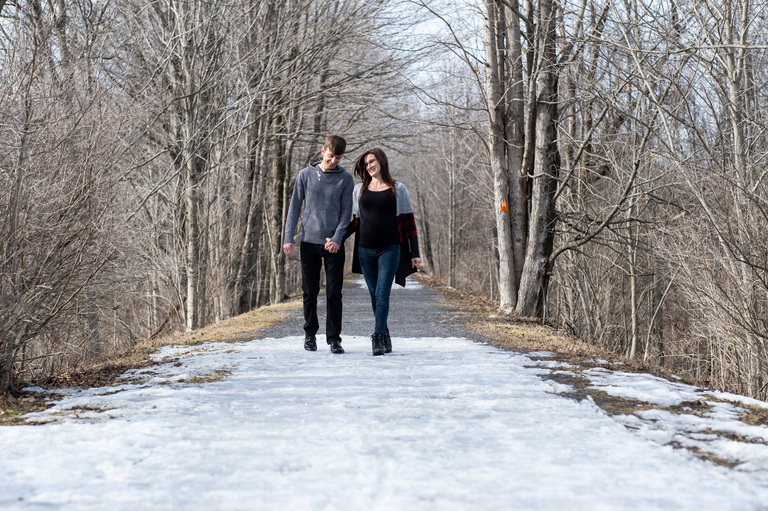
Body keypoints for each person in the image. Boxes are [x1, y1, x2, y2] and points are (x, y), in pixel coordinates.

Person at [344, 148, 422, 356]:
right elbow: (355, 222)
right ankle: (385, 332)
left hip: (390, 249)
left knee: (382, 292)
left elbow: (409, 221)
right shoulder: (359, 189)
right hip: (365, 250)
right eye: (366, 164)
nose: (369, 166)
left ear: (381, 161)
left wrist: (415, 252)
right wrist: (337, 239)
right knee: (374, 294)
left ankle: (377, 337)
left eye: (372, 161)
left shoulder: (398, 189)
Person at [283, 135, 354, 354]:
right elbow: (295, 207)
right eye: (330, 156)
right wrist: (288, 238)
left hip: (333, 245)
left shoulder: (345, 179)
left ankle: (334, 339)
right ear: (323, 151)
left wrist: (338, 238)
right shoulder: (305, 175)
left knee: (334, 293)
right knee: (310, 291)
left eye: (338, 158)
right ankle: (310, 335)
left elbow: (346, 213)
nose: (333, 161)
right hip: (309, 242)